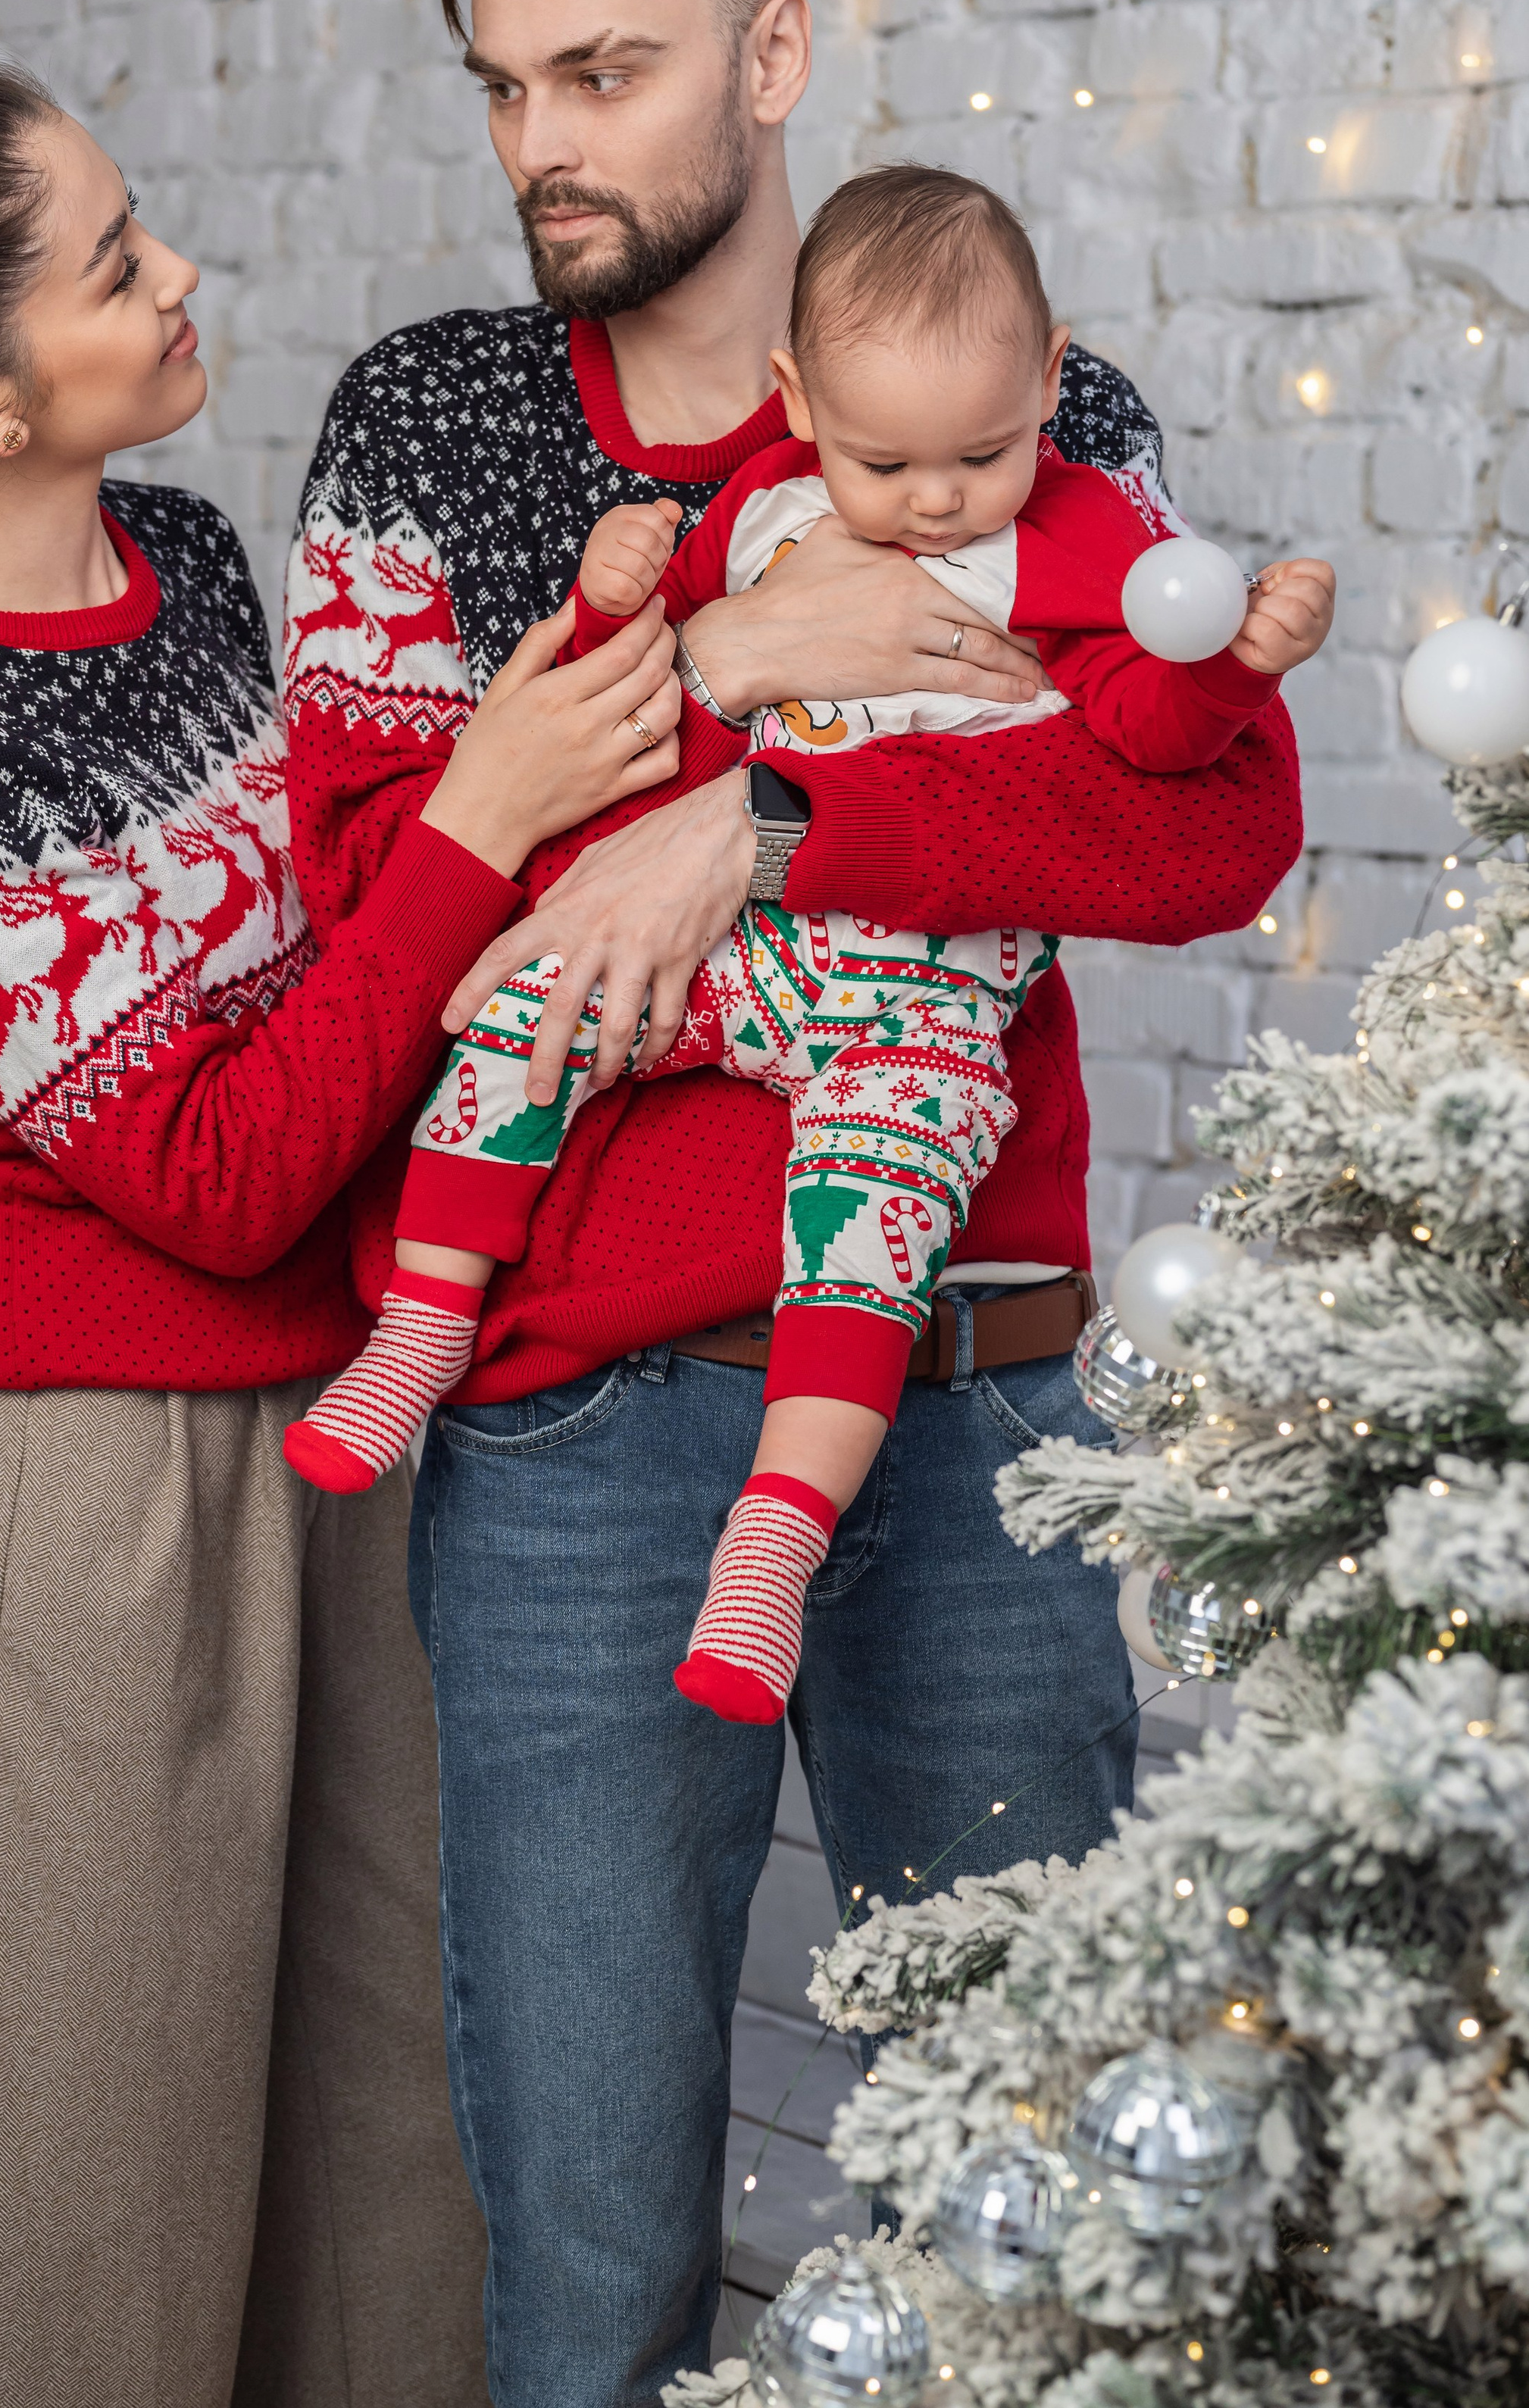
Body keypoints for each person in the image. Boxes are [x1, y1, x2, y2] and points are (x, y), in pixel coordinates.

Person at [282, 0, 1305, 2406]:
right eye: (505, 84)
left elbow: (1206, 829)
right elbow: (388, 906)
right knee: (596, 2236)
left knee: (1039, 2193)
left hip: (973, 1389)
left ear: (772, 53)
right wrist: (735, 662)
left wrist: (765, 818)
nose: (541, 140)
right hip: (580, 1438)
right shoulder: (432, 429)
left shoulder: (1037, 402)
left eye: (604, 71)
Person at [0, 63, 684, 2408]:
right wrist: (484, 817)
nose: (180, 273)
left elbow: (330, 983)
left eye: (142, 220)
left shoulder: (188, 563)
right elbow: (219, 1167)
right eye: (115, 264)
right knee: (44, 2245)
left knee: (383, 2195)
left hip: (331, 1441)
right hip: (65, 1505)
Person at [283, 165, 1336, 1730]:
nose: (935, 501)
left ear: (1048, 383)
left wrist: (1227, 669)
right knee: (532, 1006)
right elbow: (552, 760)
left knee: (873, 1207)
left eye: (978, 457)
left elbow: (1175, 780)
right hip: (741, 984)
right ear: (798, 400)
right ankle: (420, 1327)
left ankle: (775, 1538)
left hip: (920, 1002)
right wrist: (648, 613)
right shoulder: (754, 502)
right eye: (884, 463)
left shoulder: (1078, 534)